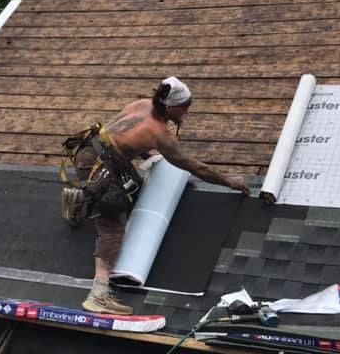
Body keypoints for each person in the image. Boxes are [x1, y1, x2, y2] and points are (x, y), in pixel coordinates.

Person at [73, 76, 250, 315]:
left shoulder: (143, 104)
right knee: (113, 224)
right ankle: (99, 294)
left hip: (88, 151)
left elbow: (127, 136)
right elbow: (195, 167)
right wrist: (230, 182)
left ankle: (79, 199)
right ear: (169, 107)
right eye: (184, 108)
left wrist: (147, 157)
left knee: (134, 187)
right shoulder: (160, 135)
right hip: (101, 168)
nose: (186, 112)